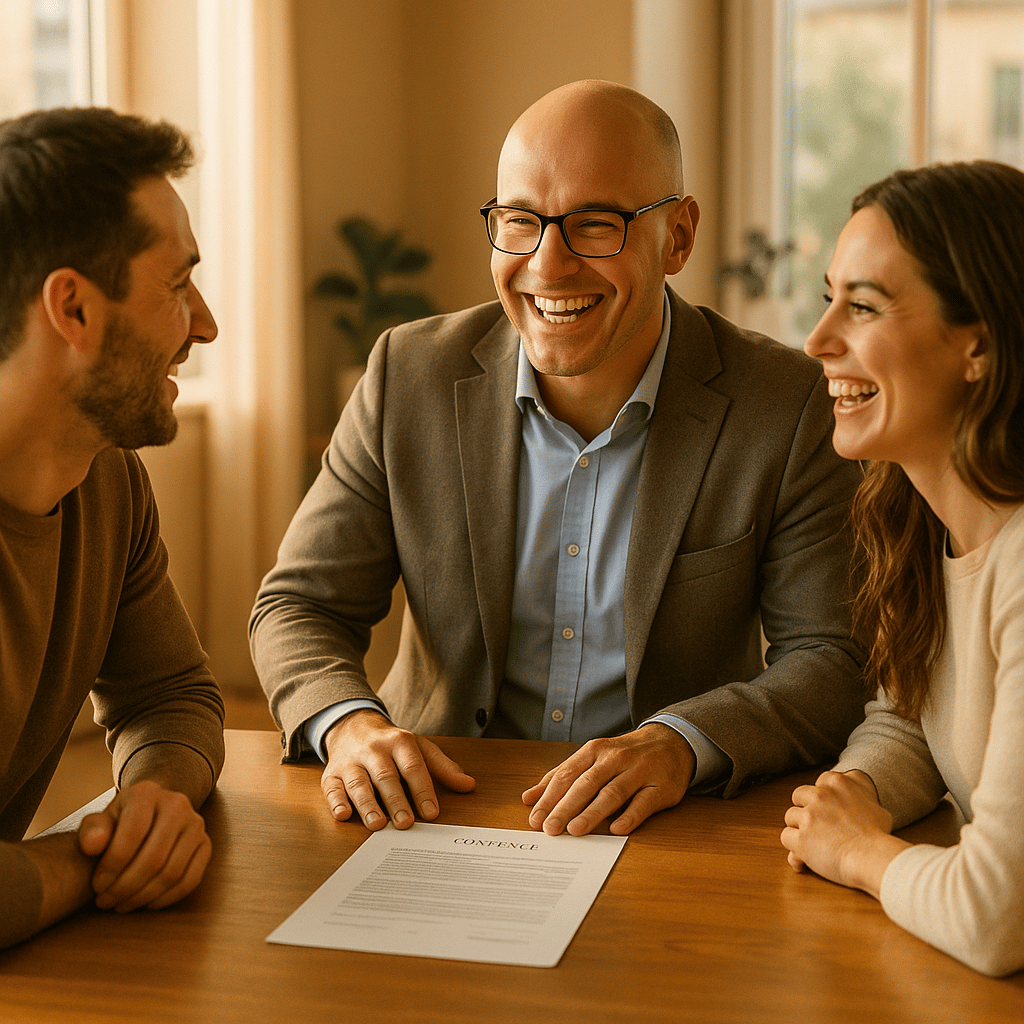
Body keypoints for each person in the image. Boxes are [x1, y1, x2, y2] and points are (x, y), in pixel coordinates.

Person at [250, 79, 865, 839]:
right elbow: (299, 606)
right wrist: (350, 727)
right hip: (434, 810)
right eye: (519, 221)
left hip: (661, 827)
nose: (548, 264)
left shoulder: (785, 404)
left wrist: (679, 744)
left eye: (595, 225)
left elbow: (829, 658)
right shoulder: (406, 375)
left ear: (678, 235)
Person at [780, 160, 1024, 977]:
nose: (818, 342)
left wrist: (858, 853)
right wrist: (849, 798)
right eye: (827, 298)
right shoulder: (918, 519)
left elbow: (996, 917)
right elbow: (911, 720)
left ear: (978, 346)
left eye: (864, 307)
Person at [0, 107, 224, 949]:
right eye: (177, 286)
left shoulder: (108, 482)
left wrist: (155, 799)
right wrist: (94, 864)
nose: (205, 324)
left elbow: (171, 695)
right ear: (74, 310)